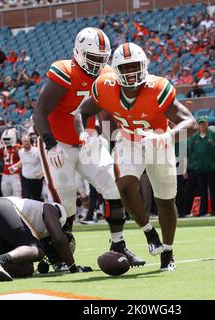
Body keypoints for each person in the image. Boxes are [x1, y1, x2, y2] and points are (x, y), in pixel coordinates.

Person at [74, 42, 198, 271]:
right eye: (126, 67)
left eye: (135, 66)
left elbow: (191, 123)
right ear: (116, 70)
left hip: (159, 142)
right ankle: (149, 232)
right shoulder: (105, 85)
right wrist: (83, 133)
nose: (131, 72)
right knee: (124, 186)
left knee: (166, 201)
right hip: (129, 140)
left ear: (144, 66)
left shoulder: (158, 87)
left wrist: (168, 137)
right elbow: (82, 111)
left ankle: (167, 251)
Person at [32, 28, 144, 267]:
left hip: (87, 140)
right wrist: (50, 144)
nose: (97, 64)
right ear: (80, 53)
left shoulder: (106, 73)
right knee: (65, 199)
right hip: (58, 142)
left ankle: (119, 245)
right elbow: (39, 112)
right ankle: (61, 252)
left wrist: (109, 137)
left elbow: (109, 111)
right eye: (92, 58)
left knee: (113, 186)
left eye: (101, 60)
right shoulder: (64, 71)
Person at [0, 197, 91, 282]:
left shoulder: (34, 235)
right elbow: (58, 238)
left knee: (25, 269)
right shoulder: (55, 210)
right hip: (0, 207)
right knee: (36, 249)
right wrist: (73, 267)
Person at [187, 116, 215, 216]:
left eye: (204, 123)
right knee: (202, 191)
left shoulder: (214, 135)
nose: (202, 125)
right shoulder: (194, 137)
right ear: (198, 125)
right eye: (200, 123)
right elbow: (190, 152)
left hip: (213, 167)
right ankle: (203, 211)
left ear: (207, 124)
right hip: (199, 168)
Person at [9, 135, 43, 201]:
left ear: (30, 141)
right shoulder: (21, 152)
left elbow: (45, 163)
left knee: (37, 199)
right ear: (22, 143)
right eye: (24, 141)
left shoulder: (37, 151)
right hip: (26, 180)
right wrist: (14, 167)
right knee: (26, 199)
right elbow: (22, 162)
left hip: (37, 180)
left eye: (27, 141)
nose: (26, 143)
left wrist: (42, 173)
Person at [0, 129, 21, 197]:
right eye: (5, 139)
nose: (6, 141)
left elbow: (21, 157)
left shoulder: (18, 147)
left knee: (17, 196)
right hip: (5, 175)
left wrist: (15, 147)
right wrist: (0, 146)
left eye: (8, 139)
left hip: (15, 175)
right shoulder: (2, 148)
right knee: (6, 197)